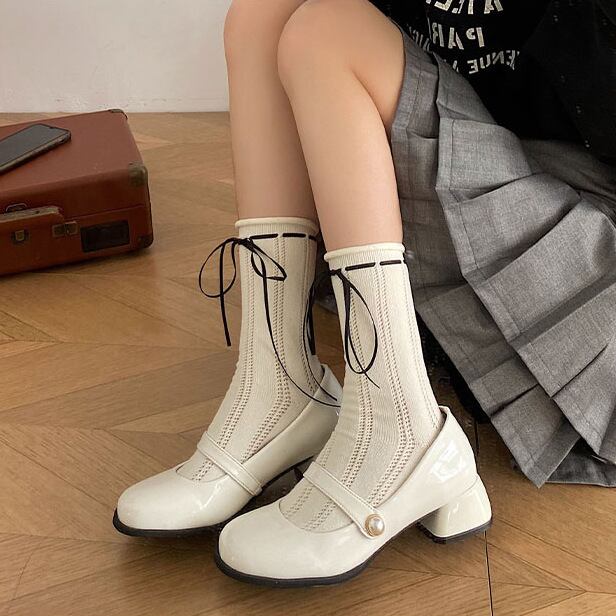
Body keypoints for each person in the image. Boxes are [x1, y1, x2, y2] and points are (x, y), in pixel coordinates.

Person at [114, 0, 615, 586]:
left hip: (580, 228)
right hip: (466, 166)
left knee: (327, 35)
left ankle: (400, 429)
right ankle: (277, 386)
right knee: (264, 13)